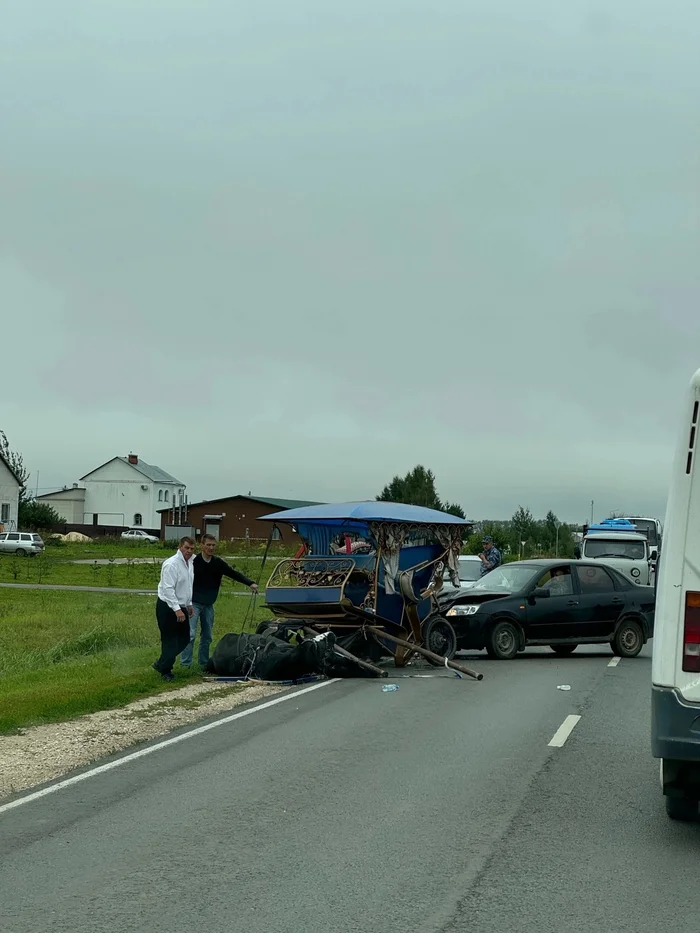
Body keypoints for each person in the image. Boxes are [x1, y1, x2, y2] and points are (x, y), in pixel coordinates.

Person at [180, 534, 259, 669]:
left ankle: (204, 663)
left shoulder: (218, 563)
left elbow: (233, 573)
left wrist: (250, 583)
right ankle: (185, 664)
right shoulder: (194, 562)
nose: (211, 548)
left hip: (209, 604)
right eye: (208, 545)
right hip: (194, 603)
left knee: (208, 636)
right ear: (202, 546)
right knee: (191, 634)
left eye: (213, 545)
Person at [153, 536, 195, 682]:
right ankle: (166, 671)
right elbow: (168, 588)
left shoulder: (190, 563)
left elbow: (187, 586)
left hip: (181, 605)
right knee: (169, 639)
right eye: (186, 548)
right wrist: (176, 609)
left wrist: (188, 604)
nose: (189, 551)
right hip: (167, 606)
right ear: (180, 547)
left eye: (191, 548)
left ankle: (161, 662)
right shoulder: (171, 564)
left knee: (185, 638)